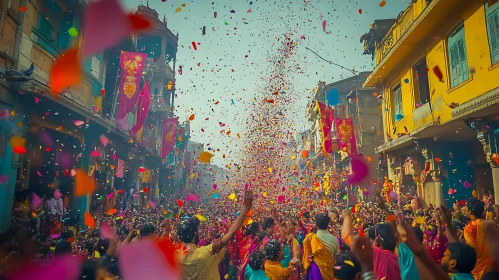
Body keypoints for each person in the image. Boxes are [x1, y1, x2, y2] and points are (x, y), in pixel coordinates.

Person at [175, 190, 254, 280]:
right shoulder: (204, 253)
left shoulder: (176, 256)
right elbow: (231, 233)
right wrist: (246, 208)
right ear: (194, 234)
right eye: (198, 230)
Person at [463, 198, 493, 279]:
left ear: (470, 212)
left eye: (466, 209)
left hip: (478, 271)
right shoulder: (491, 224)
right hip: (494, 267)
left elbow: (471, 250)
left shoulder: (469, 228)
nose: (465, 211)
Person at [302, 213, 338, 280]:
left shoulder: (310, 238)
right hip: (329, 272)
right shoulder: (334, 239)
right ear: (327, 225)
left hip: (314, 272)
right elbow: (335, 256)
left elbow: (308, 256)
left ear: (316, 225)